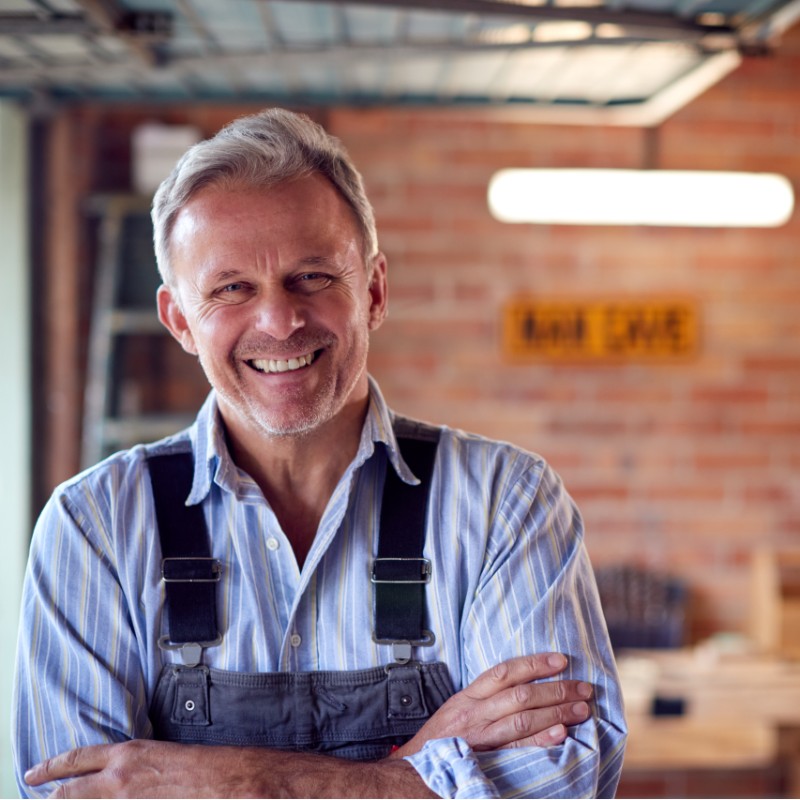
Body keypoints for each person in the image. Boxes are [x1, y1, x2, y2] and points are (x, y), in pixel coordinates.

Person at [13, 108, 627, 798]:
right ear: (179, 320)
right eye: (231, 288)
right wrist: (416, 771)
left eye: (313, 278)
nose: (279, 321)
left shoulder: (504, 501)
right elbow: (74, 793)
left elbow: (565, 776)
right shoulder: (93, 526)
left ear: (373, 291)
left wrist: (240, 782)